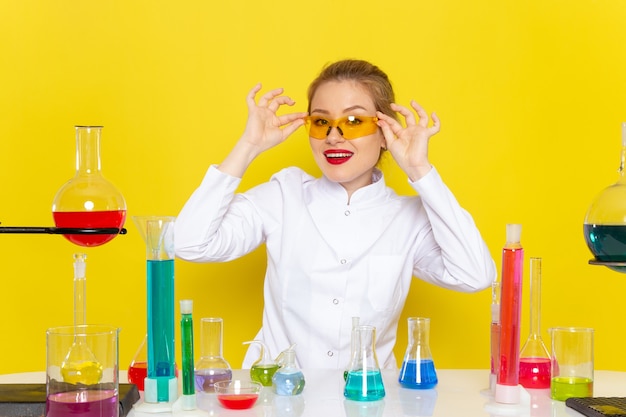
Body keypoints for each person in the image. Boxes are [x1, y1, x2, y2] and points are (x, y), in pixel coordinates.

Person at [174, 59, 496, 369]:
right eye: (321, 121)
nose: (333, 136)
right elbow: (189, 243)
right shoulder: (283, 195)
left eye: (354, 121)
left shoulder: (408, 218)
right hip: (282, 401)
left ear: (386, 133)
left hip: (368, 401)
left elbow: (475, 275)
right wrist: (248, 145)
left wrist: (420, 171)